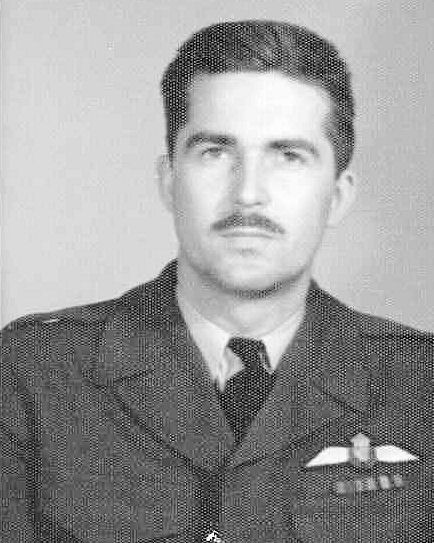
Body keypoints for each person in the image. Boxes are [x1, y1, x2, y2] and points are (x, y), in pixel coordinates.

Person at [1, 19, 433, 543]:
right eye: (215, 152)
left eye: (288, 155)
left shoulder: (420, 384)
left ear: (338, 195)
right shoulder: (30, 374)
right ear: (169, 181)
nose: (248, 193)